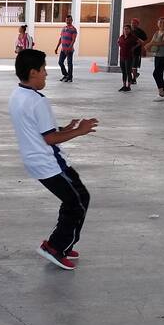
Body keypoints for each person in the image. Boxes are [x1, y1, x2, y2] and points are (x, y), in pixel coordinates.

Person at [8, 48, 97, 270]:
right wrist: (80, 131)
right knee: (76, 202)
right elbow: (50, 138)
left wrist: (64, 128)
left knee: (76, 198)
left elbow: (38, 128)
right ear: (33, 73)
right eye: (43, 69)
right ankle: (55, 247)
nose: (46, 74)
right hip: (49, 162)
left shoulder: (17, 95)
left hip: (34, 160)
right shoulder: (38, 101)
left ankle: (63, 244)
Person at [143, 17, 164, 101]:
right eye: (160, 23)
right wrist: (148, 46)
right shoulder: (157, 32)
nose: (162, 24)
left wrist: (151, 43)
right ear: (158, 24)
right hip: (157, 56)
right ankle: (161, 93)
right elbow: (152, 42)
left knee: (156, 73)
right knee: (159, 74)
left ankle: (161, 94)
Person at [57, 15, 78, 83]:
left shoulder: (73, 29)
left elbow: (73, 40)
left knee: (69, 63)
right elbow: (61, 38)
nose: (68, 21)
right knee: (60, 62)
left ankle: (70, 77)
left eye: (69, 20)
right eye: (67, 20)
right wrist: (57, 47)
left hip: (69, 50)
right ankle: (66, 75)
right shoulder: (64, 28)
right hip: (63, 49)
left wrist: (69, 48)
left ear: (71, 20)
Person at [117, 24, 137, 92]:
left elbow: (140, 42)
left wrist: (133, 48)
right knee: (123, 72)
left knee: (128, 71)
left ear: (130, 30)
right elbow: (118, 42)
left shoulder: (132, 37)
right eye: (124, 29)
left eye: (127, 29)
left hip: (129, 57)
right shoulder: (121, 37)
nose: (126, 30)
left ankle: (129, 86)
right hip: (122, 56)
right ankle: (124, 85)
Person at [129, 17, 147, 84]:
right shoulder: (129, 30)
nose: (133, 24)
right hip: (129, 51)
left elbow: (143, 40)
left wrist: (135, 47)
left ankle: (134, 79)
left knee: (134, 65)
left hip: (136, 51)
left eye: (134, 23)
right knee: (129, 65)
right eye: (132, 23)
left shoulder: (140, 31)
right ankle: (134, 76)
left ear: (137, 24)